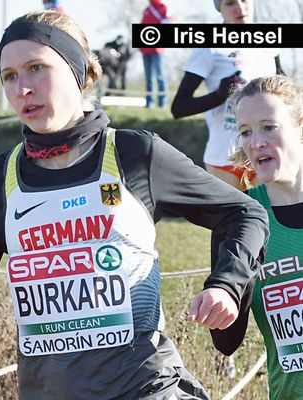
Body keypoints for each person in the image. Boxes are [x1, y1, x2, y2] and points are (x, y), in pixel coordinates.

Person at [0, 10, 269, 399]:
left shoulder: (135, 153)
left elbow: (245, 212)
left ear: (78, 71)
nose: (22, 89)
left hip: (147, 387)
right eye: (10, 76)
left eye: (37, 68)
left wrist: (226, 285)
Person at [211, 75, 303, 399]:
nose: (255, 142)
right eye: (246, 132)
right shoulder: (239, 220)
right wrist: (234, 284)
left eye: (269, 127)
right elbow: (226, 342)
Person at [171, 0, 283, 190]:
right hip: (224, 159)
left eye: (245, 1)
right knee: (229, 221)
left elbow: (285, 93)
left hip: (266, 153)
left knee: (269, 219)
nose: (240, 8)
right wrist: (219, 94)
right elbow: (179, 107)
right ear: (219, 10)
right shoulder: (209, 47)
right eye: (230, 3)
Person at [139, 0, 171, 108]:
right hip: (145, 49)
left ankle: (163, 102)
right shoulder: (147, 10)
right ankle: (150, 102)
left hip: (158, 49)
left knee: (160, 76)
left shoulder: (163, 8)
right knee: (149, 78)